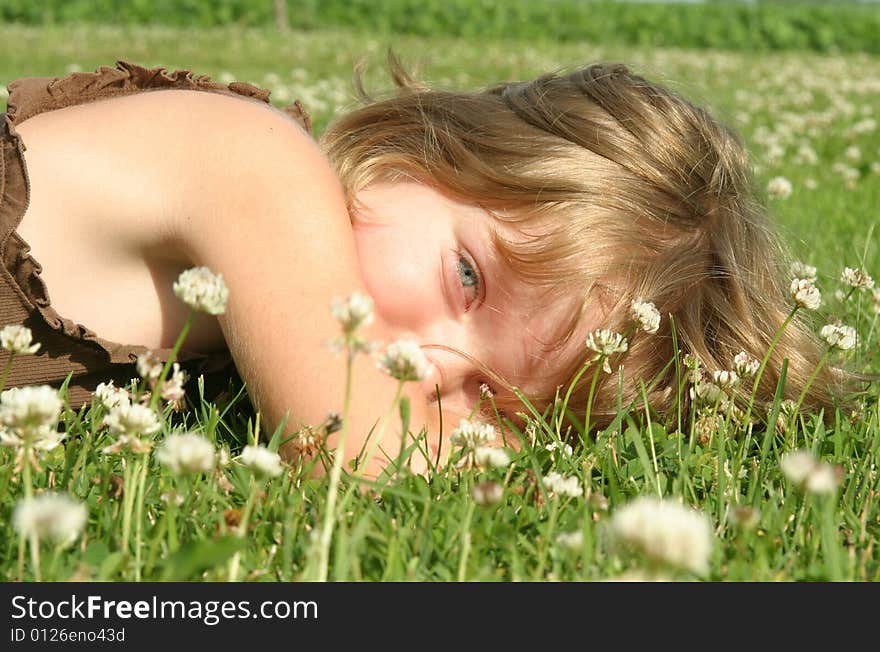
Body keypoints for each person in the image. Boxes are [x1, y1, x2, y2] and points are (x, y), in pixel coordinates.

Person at [0, 59, 847, 475]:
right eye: (468, 279)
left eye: (489, 397)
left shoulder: (251, 338)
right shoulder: (260, 171)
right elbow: (361, 454)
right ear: (423, 145)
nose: (430, 364)